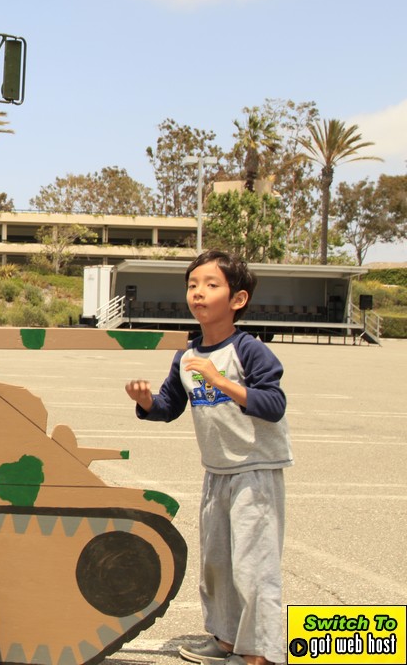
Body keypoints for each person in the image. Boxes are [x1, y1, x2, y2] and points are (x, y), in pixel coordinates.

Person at [124, 250, 291, 665]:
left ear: (238, 299)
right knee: (217, 566)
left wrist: (220, 380)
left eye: (211, 285)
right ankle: (227, 639)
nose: (198, 292)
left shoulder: (250, 351)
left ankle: (261, 654)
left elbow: (273, 404)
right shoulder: (187, 357)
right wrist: (146, 402)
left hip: (255, 470)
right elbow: (169, 406)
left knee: (254, 568)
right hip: (217, 472)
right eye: (193, 284)